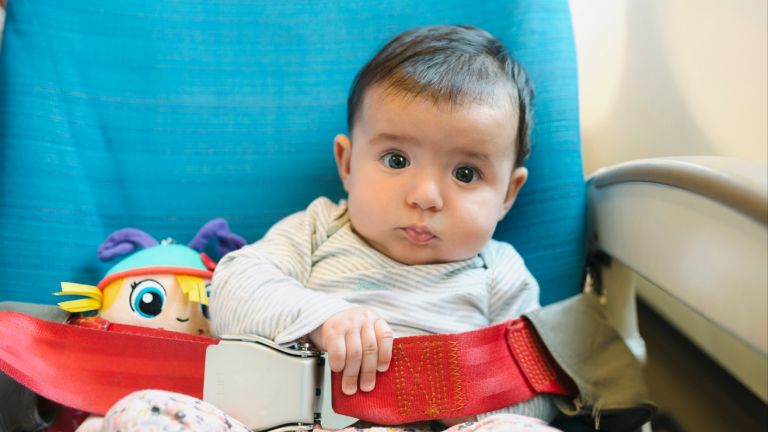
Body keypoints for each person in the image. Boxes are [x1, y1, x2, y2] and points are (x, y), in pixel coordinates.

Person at [92, 25, 564, 432]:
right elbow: (233, 289)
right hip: (282, 421)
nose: (425, 195)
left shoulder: (500, 272)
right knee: (142, 411)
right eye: (396, 160)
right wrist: (322, 318)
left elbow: (535, 388)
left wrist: (453, 385)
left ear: (508, 194)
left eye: (465, 174)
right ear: (347, 163)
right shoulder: (319, 227)